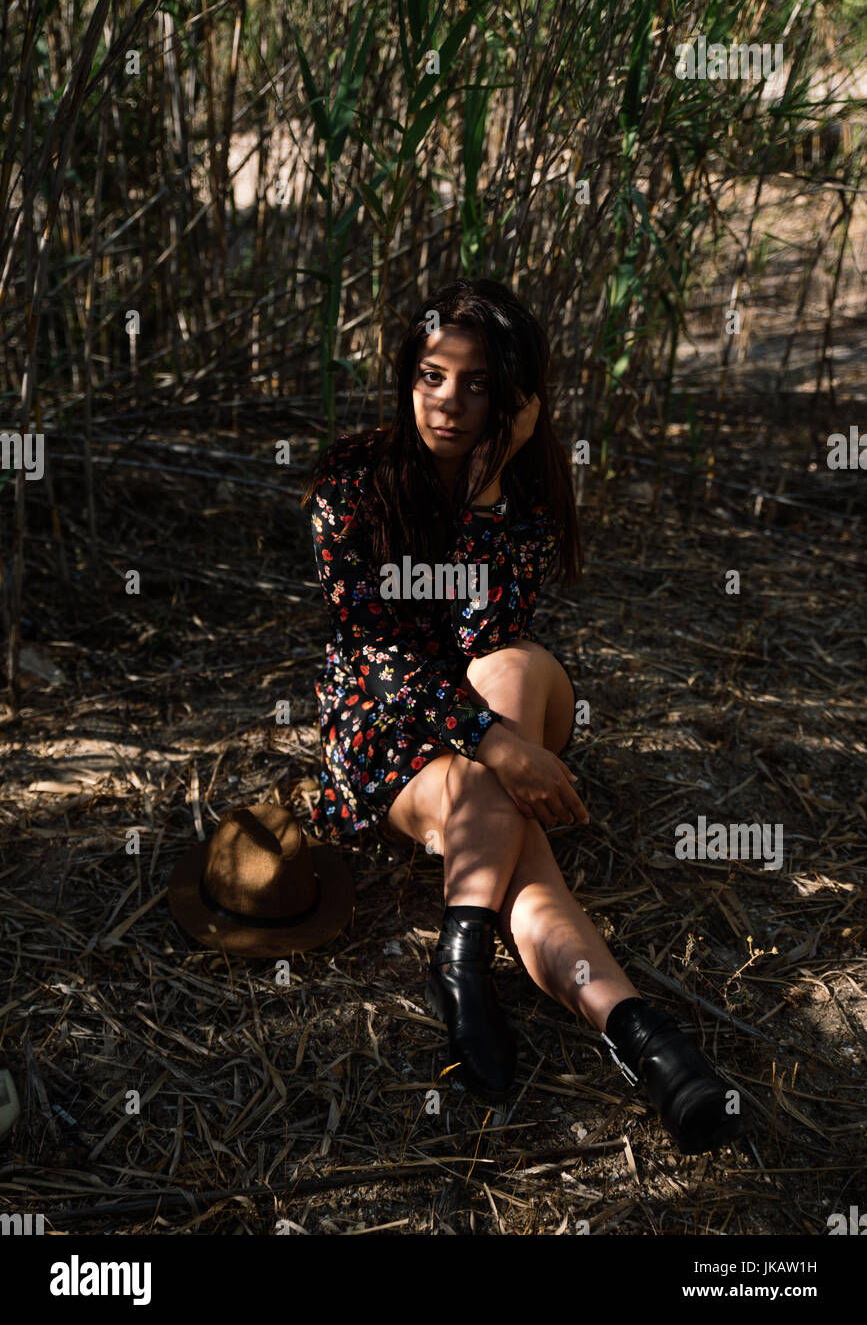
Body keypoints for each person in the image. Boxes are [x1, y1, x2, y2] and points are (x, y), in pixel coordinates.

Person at [301, 278, 742, 1156]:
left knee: (510, 663)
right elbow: (374, 651)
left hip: (503, 696)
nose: (449, 403)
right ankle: (642, 1038)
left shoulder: (528, 492)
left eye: (476, 385)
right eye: (431, 377)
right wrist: (494, 744)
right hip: (382, 725)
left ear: (514, 398)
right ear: (405, 377)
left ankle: (457, 955)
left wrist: (491, 487)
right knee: (521, 852)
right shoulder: (352, 475)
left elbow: (490, 637)